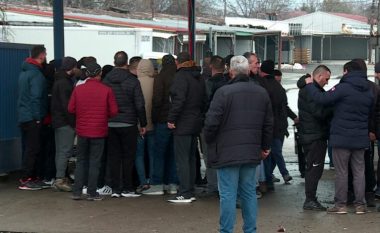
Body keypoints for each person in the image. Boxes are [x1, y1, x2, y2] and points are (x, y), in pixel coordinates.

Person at [204, 55, 273, 233]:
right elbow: (268, 123)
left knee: (227, 194)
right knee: (249, 192)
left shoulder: (223, 92)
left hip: (227, 152)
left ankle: (226, 231)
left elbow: (211, 123)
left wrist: (211, 142)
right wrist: (265, 146)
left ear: (231, 71)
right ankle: (250, 230)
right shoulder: (261, 92)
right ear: (248, 70)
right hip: (251, 152)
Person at [305, 61, 373, 214]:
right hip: (360, 137)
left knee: (342, 172)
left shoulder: (343, 88)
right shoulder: (368, 90)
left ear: (347, 71)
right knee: (359, 172)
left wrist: (309, 85)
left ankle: (341, 205)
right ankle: (360, 205)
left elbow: (322, 100)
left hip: (341, 138)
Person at [69, 62, 118, 201]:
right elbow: (114, 111)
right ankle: (92, 192)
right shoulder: (106, 90)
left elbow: (70, 109)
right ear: (99, 73)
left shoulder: (78, 89)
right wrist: (104, 114)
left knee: (81, 161)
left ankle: (77, 192)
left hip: (82, 131)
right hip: (99, 131)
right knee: (95, 162)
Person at [102, 52, 146, 198]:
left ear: (114, 62)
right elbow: (140, 104)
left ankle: (115, 188)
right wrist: (143, 123)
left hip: (110, 123)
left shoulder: (106, 80)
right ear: (126, 63)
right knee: (128, 156)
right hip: (128, 123)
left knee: (113, 156)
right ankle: (127, 187)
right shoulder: (133, 81)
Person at [167, 52, 206, 203]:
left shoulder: (180, 77)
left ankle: (185, 192)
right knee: (190, 157)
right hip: (195, 122)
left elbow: (178, 100)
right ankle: (190, 189)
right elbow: (205, 100)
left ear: (178, 63)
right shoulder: (199, 76)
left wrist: (171, 118)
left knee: (182, 159)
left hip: (183, 123)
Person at [297, 65, 333, 211]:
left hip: (312, 134)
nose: (327, 82)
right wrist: (333, 107)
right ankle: (310, 200)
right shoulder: (311, 91)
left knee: (313, 168)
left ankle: (311, 198)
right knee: (314, 169)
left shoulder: (312, 89)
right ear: (318, 77)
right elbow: (319, 112)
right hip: (314, 136)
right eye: (326, 79)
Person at [144, 55, 178, 195]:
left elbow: (156, 100)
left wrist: (154, 118)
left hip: (162, 121)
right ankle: (173, 184)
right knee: (173, 154)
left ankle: (157, 184)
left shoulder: (160, 77)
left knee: (159, 154)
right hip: (177, 121)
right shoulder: (179, 76)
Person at [259, 60, 294, 189]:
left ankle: (268, 179)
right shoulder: (279, 88)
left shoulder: (260, 84)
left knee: (268, 154)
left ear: (262, 70)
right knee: (275, 152)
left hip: (267, 126)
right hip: (280, 126)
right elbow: (284, 107)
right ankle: (277, 175)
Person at [17, 45, 48, 190]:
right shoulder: (36, 74)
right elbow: (36, 97)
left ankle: (30, 177)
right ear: (41, 56)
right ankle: (27, 178)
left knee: (29, 148)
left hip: (23, 116)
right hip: (32, 117)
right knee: (33, 149)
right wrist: (37, 117)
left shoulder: (24, 72)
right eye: (45, 54)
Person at [198, 55, 229, 198]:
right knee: (223, 154)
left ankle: (212, 186)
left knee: (209, 155)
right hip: (225, 124)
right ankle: (223, 185)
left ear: (211, 66)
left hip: (210, 122)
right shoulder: (228, 83)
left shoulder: (209, 83)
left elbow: (204, 102)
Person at [51, 56, 78, 192]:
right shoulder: (65, 83)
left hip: (58, 121)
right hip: (65, 122)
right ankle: (60, 179)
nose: (76, 70)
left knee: (60, 151)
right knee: (64, 151)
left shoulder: (59, 80)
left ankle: (59, 177)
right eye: (75, 67)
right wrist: (74, 124)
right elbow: (67, 107)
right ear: (71, 68)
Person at [135, 59, 155, 192]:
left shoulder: (134, 82)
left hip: (138, 125)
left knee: (139, 155)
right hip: (154, 124)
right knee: (153, 154)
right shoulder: (156, 82)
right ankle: (153, 182)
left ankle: (143, 181)